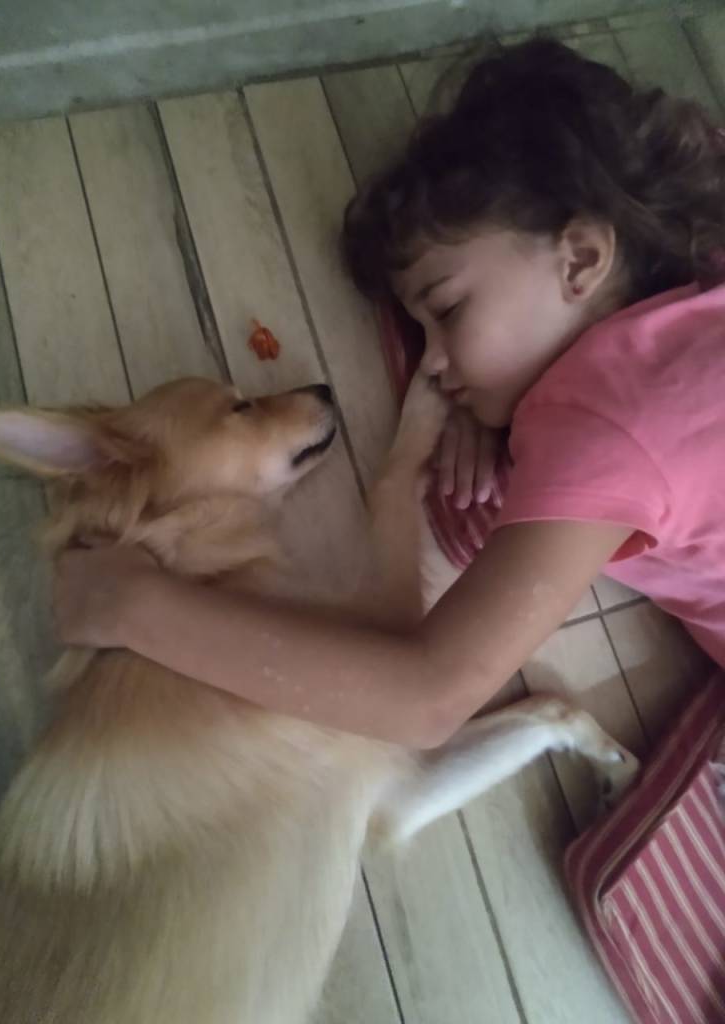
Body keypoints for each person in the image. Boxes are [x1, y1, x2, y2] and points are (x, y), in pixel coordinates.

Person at [54, 39, 725, 750]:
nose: (430, 363)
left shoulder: (610, 434)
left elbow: (428, 697)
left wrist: (133, 605)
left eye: (450, 310)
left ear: (582, 259)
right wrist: (506, 394)